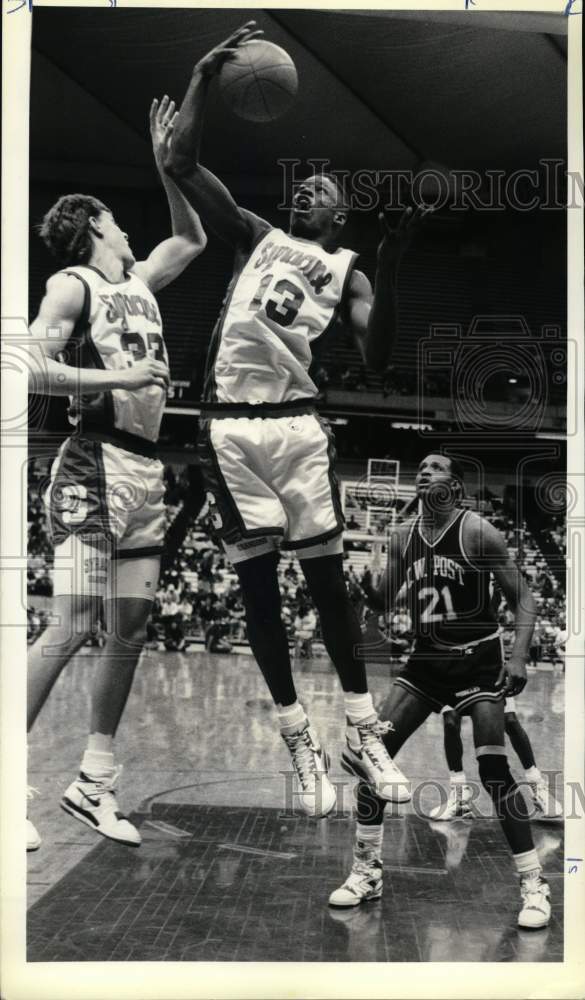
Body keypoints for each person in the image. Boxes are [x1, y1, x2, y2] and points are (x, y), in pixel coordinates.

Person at [165, 21, 430, 818]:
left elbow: (378, 357)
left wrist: (388, 264)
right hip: (228, 427)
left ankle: (360, 730)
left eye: (324, 186)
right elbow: (180, 161)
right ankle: (295, 737)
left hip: (298, 425)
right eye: (303, 183)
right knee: (253, 586)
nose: (308, 187)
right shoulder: (257, 234)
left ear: (343, 212)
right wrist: (205, 77)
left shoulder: (348, 266)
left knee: (326, 585)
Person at [26, 96, 207, 851]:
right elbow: (31, 366)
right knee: (70, 623)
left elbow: (190, 237)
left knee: (127, 631)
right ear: (98, 222)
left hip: (143, 475)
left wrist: (168, 166)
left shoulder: (138, 284)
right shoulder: (75, 283)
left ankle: (92, 780)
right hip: (92, 466)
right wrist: (120, 380)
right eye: (118, 220)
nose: (131, 232)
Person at [329, 454, 552, 930]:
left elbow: (525, 598)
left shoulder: (477, 532)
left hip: (478, 661)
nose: (424, 470)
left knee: (493, 768)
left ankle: (534, 883)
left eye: (435, 466)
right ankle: (367, 870)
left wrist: (517, 657)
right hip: (426, 661)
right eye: (421, 466)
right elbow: (384, 599)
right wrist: (355, 584)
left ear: (454, 484)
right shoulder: (403, 536)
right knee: (375, 754)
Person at [430, 697, 563, 821]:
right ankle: (459, 797)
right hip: (455, 674)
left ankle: (537, 786)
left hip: (488, 674)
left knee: (509, 720)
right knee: (450, 722)